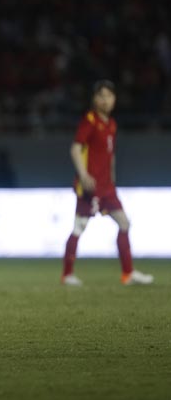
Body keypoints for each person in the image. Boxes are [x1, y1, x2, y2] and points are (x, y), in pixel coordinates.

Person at [61, 80, 153, 287]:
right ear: (94, 98)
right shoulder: (90, 121)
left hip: (107, 188)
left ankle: (128, 273)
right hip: (91, 186)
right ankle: (67, 274)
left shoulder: (111, 124)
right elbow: (76, 149)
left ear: (115, 99)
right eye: (101, 95)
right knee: (79, 227)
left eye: (109, 96)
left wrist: (112, 179)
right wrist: (83, 175)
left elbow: (110, 156)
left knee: (124, 223)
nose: (105, 100)